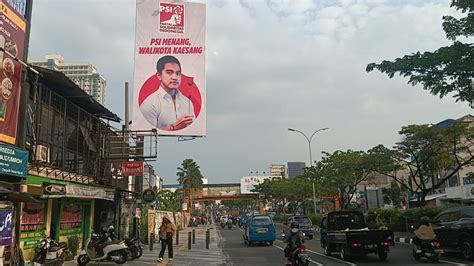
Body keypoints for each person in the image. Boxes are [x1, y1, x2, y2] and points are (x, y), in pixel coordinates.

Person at [140, 55, 194, 131]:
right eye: (169, 72)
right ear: (159, 76)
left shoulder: (187, 103)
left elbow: (193, 129)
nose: (175, 77)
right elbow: (148, 132)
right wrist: (174, 128)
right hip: (157, 142)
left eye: (178, 73)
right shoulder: (150, 104)